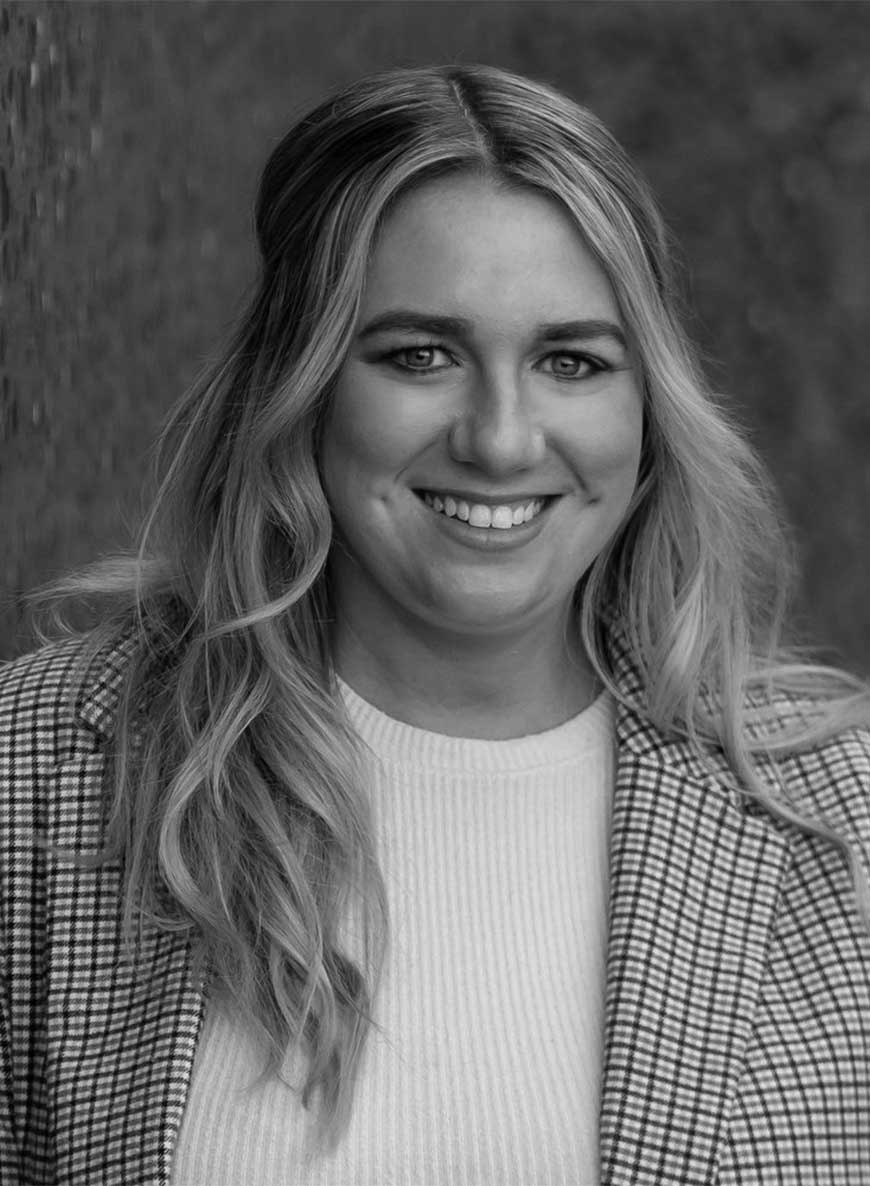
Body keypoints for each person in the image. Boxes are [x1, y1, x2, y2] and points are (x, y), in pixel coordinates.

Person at [1, 62, 869, 1186]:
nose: (502, 440)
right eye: (421, 355)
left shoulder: (841, 812)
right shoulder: (36, 769)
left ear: (647, 409)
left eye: (571, 361)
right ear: (301, 386)